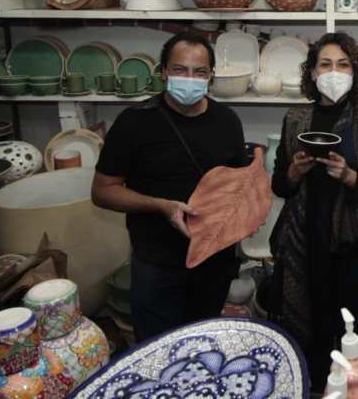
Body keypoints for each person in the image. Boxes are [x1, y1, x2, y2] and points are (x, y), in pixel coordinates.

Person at [92, 33, 249, 341]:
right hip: (158, 263)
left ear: (211, 76)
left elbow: (238, 185)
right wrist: (161, 206)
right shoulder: (134, 122)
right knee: (159, 349)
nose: (189, 79)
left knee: (204, 343)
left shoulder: (227, 121)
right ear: (163, 72)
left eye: (199, 72)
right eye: (179, 69)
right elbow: (102, 191)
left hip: (213, 260)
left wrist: (245, 215)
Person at [269, 32, 358, 389]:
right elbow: (279, 185)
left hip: (353, 249)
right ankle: (311, 388)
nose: (334, 72)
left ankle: (350, 389)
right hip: (304, 245)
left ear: (355, 72)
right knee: (307, 328)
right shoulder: (295, 119)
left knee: (346, 330)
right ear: (312, 73)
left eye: (343, 64)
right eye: (325, 64)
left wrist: (350, 176)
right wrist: (295, 171)